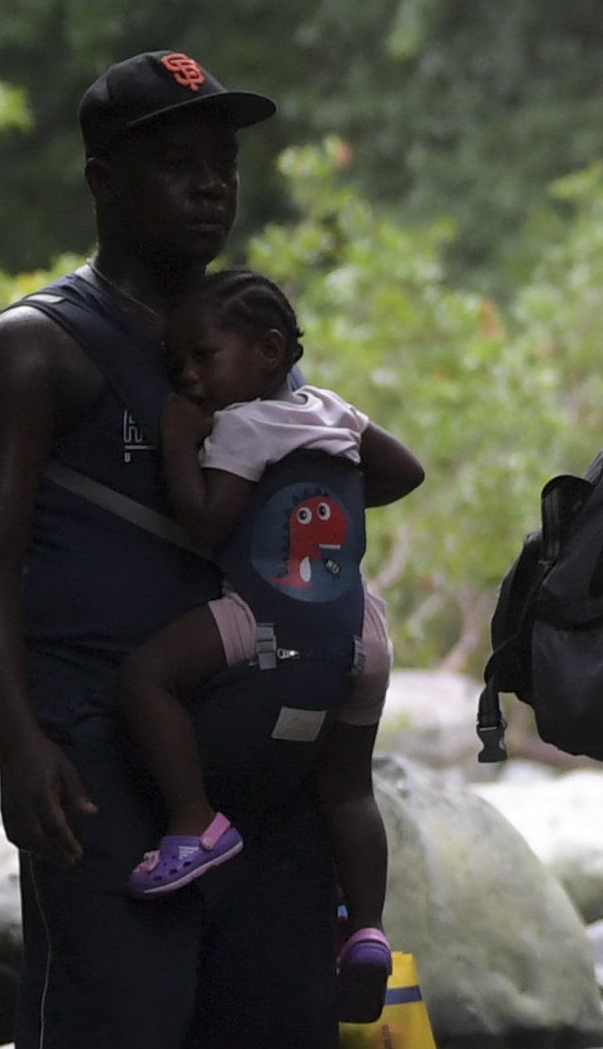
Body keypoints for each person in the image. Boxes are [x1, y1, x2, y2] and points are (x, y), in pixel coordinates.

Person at [0, 51, 380, 1049]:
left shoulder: (250, 342)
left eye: (221, 165)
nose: (208, 187)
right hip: (96, 730)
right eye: (175, 164)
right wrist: (18, 740)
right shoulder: (28, 351)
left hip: (257, 738)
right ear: (100, 180)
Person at [109, 271, 424, 915]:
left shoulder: (241, 427)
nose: (189, 377)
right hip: (359, 633)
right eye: (177, 365)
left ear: (270, 352)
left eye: (205, 356)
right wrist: (328, 492)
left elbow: (204, 521)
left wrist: (177, 444)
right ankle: (367, 927)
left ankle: (195, 821)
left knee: (146, 677)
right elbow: (406, 471)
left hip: (266, 617)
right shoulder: (335, 412)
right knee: (349, 789)